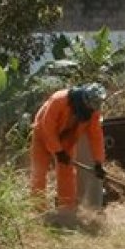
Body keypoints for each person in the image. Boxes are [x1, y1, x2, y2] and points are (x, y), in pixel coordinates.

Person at [30, 83, 106, 211]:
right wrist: (58, 151)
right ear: (84, 99)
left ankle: (66, 210)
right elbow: (47, 127)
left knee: (67, 174)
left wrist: (98, 162)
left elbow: (96, 137)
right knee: (39, 171)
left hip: (67, 139)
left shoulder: (93, 112)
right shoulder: (58, 100)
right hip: (42, 134)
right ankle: (37, 209)